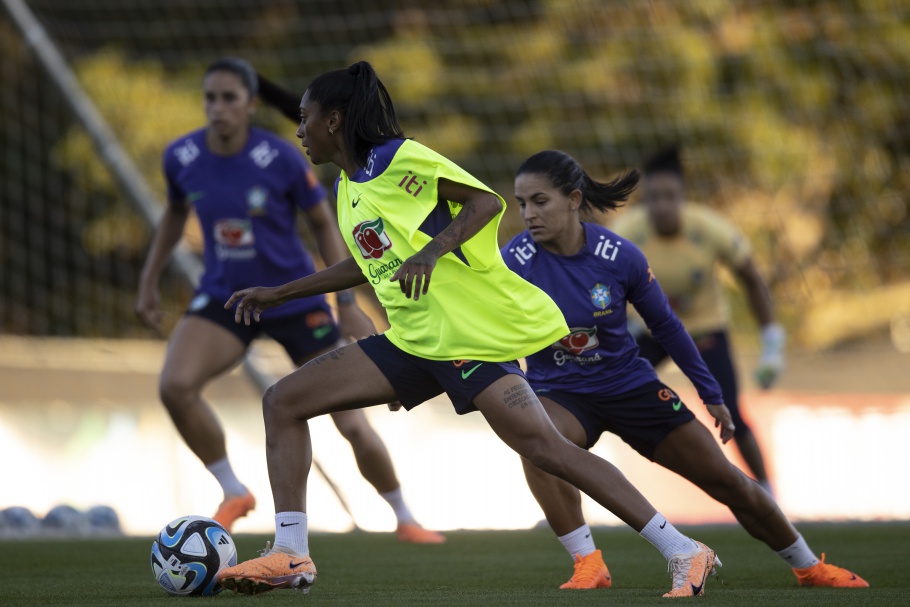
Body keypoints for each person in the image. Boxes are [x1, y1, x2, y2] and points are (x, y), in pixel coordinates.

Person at [217, 61, 719, 598]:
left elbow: (485, 202)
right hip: (411, 344)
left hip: (466, 342)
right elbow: (370, 263)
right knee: (283, 401)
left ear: (334, 120)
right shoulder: (346, 188)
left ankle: (684, 551)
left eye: (305, 117)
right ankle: (291, 554)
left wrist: (432, 253)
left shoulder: (398, 159)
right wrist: (280, 292)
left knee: (550, 452)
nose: (298, 130)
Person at [503, 149, 868, 591]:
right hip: (560, 392)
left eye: (539, 201)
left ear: (574, 199)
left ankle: (810, 567)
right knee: (536, 442)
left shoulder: (619, 255)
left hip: (628, 386)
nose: (528, 214)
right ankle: (588, 564)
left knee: (725, 480)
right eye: (522, 203)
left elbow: (666, 326)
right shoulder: (512, 262)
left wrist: (710, 392)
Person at [136, 57, 443, 543]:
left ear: (251, 104)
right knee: (174, 385)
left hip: (295, 299)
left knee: (350, 424)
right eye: (210, 98)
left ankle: (404, 516)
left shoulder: (280, 157)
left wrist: (345, 303)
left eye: (229, 98)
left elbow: (323, 221)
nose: (218, 108)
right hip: (227, 297)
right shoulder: (181, 156)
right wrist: (149, 279)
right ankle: (233, 490)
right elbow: (174, 214)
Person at [611, 146, 784, 493]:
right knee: (606, 401)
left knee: (730, 410)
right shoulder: (625, 232)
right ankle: (577, 494)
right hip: (650, 331)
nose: (662, 205)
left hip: (704, 330)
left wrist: (772, 345)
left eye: (670, 196)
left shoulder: (708, 229)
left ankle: (769, 494)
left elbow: (751, 277)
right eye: (653, 198)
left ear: (683, 197)